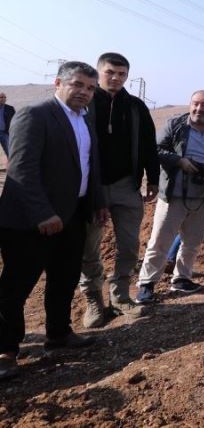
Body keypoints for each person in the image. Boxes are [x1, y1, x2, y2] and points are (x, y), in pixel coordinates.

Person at [0, 62, 107, 381]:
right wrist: (42, 214)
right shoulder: (35, 114)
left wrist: (97, 203)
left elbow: (90, 164)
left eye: (90, 88)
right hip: (29, 221)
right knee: (15, 286)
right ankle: (6, 349)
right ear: (58, 82)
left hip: (72, 215)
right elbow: (22, 171)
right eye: (78, 85)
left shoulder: (85, 119)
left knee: (65, 277)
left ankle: (58, 335)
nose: (85, 92)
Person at [79, 53, 159, 328]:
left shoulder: (135, 107)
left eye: (122, 74)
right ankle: (93, 301)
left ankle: (121, 297)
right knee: (89, 246)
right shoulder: (85, 104)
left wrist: (154, 179)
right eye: (110, 72)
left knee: (128, 246)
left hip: (127, 185)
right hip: (92, 187)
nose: (116, 78)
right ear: (99, 72)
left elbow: (149, 144)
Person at [135, 90, 204, 304]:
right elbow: (156, 149)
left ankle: (182, 278)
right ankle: (147, 284)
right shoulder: (176, 125)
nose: (199, 109)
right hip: (174, 194)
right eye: (195, 104)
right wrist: (180, 161)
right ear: (190, 105)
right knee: (160, 240)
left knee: (193, 241)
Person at [0, 92, 14, 158]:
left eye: (4, 97)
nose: (3, 99)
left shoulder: (10, 108)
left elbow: (15, 120)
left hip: (5, 133)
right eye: (1, 97)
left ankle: (12, 167)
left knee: (9, 151)